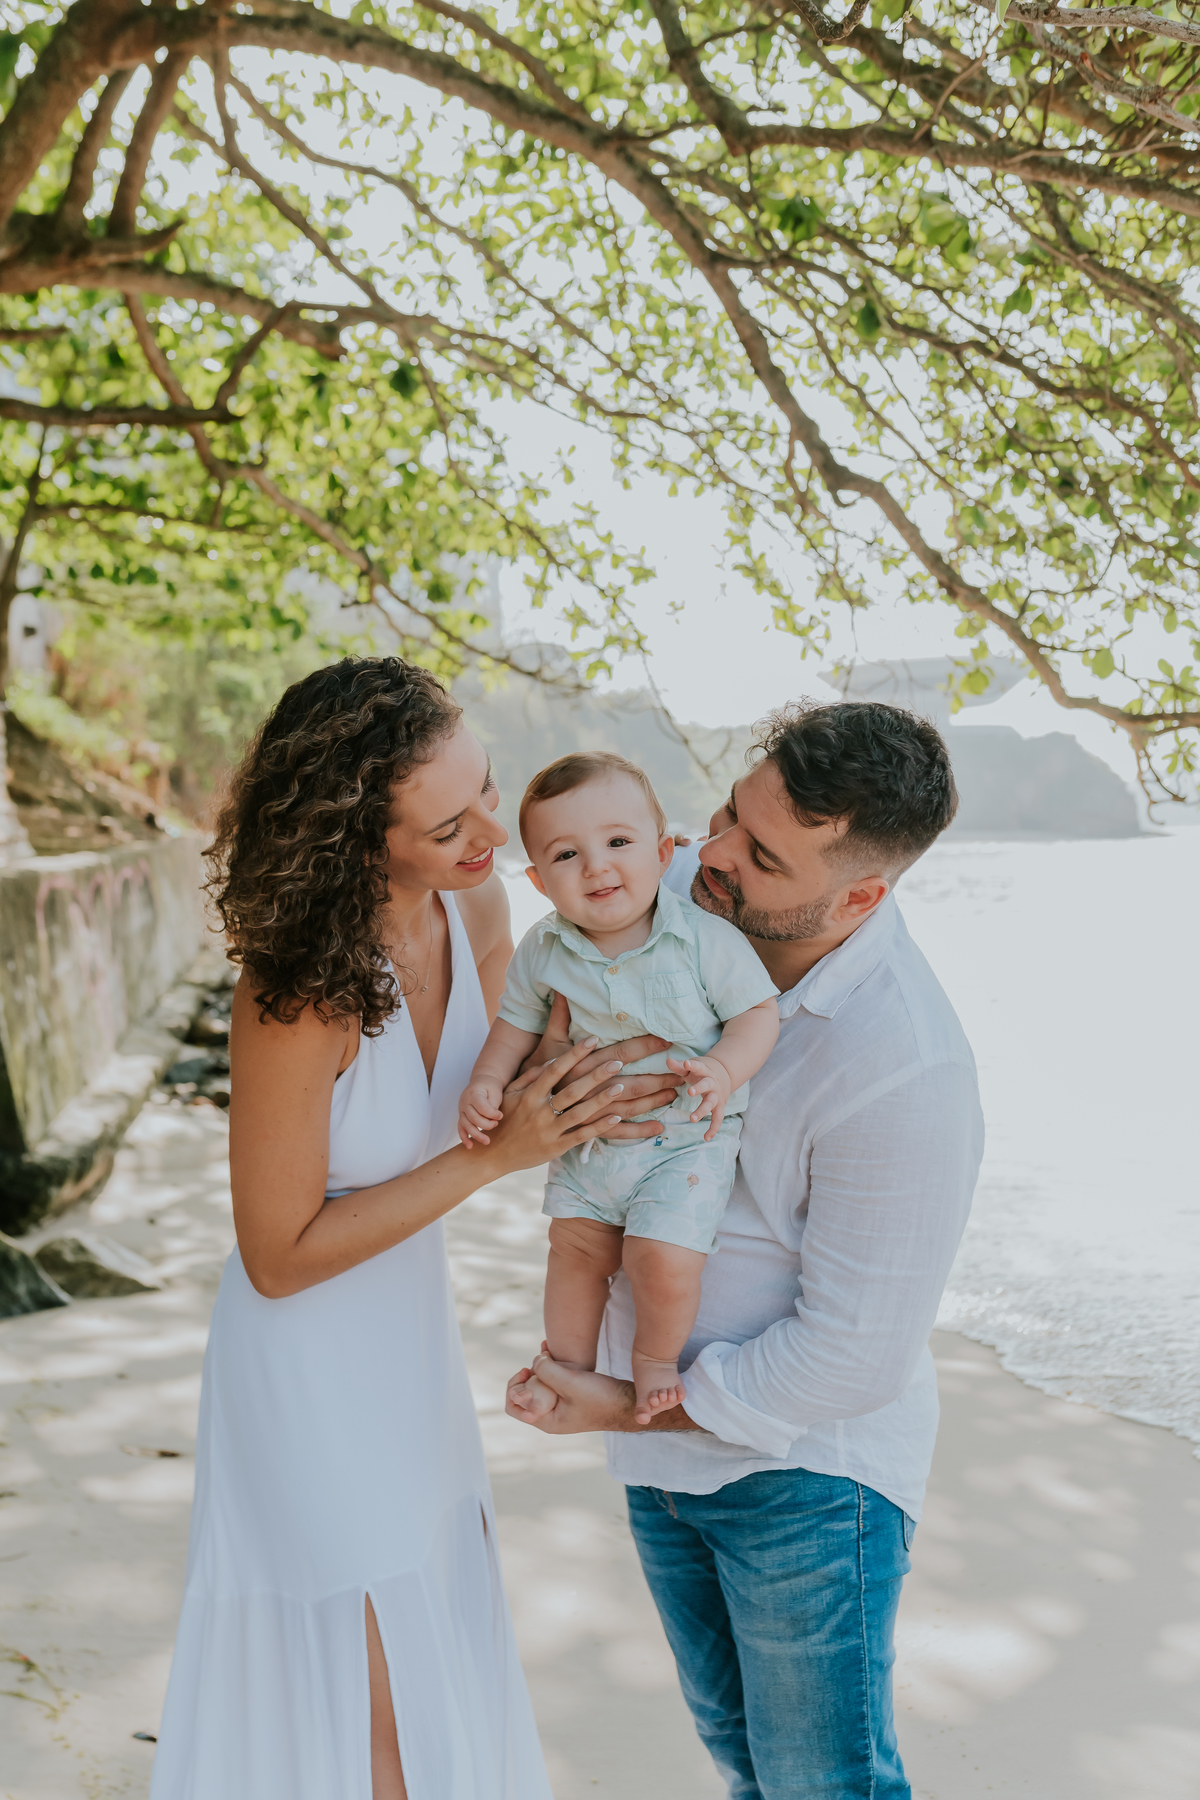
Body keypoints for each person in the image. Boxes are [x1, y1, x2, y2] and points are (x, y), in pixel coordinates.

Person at [149, 658, 669, 1800]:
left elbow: (520, 1057)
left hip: (411, 1348)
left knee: (436, 1622)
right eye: (452, 822)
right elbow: (277, 1258)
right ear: (357, 837)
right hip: (305, 1369)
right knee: (372, 1696)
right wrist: (495, 1155)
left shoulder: (475, 899)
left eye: (488, 788)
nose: (495, 830)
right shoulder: (296, 992)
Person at [505, 700, 985, 1800]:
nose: (709, 854)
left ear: (860, 896)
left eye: (760, 856)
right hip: (660, 1459)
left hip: (810, 1485)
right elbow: (545, 983)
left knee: (824, 1786)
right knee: (744, 1769)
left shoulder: (907, 1068)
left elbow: (854, 1355)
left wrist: (627, 1400)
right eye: (728, 811)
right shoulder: (677, 892)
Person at [459, 751, 779, 1422]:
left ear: (664, 853)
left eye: (618, 843)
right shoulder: (543, 949)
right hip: (587, 1149)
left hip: (681, 1143)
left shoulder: (702, 939)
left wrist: (722, 1069)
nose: (597, 866)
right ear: (540, 882)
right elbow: (514, 1027)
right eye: (567, 855)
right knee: (572, 1254)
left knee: (659, 1258)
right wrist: (488, 1082)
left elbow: (756, 1014)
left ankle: (653, 1361)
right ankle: (564, 1369)